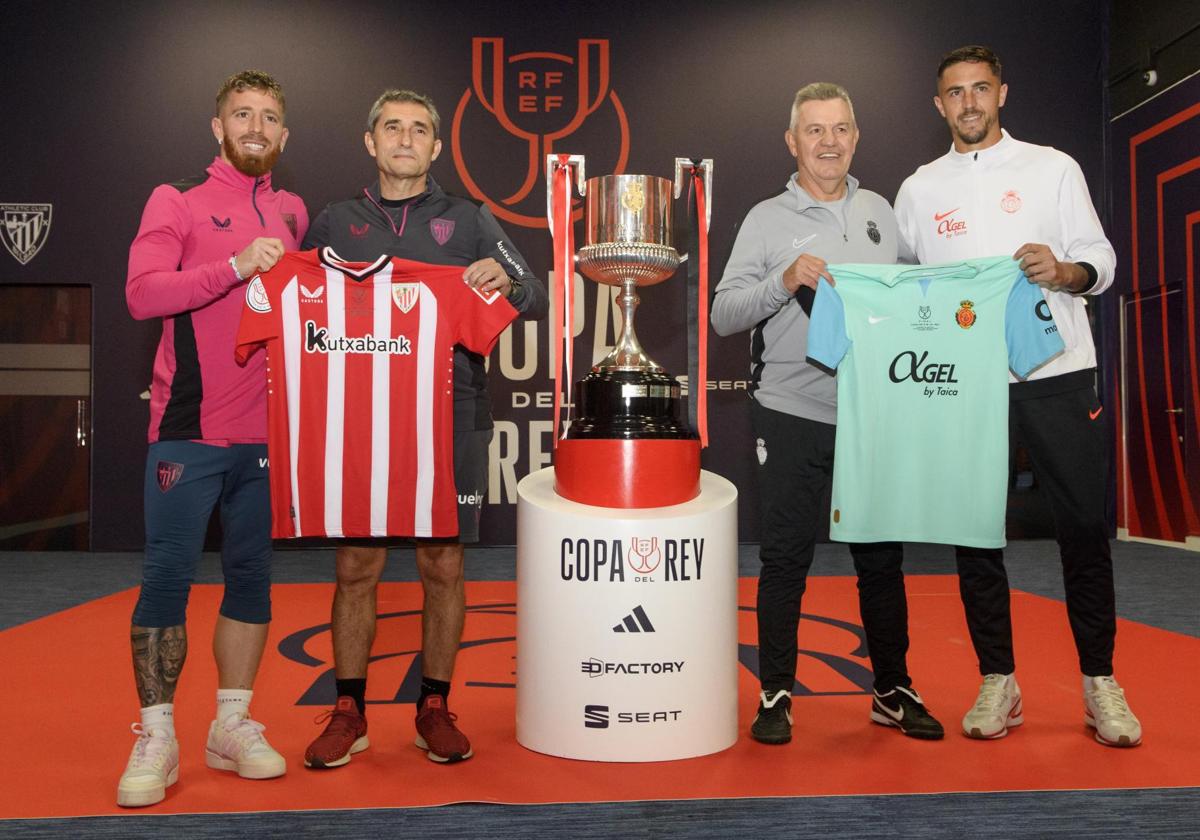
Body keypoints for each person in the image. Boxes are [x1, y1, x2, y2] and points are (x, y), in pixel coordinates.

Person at [894, 45, 1140, 747]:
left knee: (1084, 530)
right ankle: (998, 679)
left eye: (980, 89)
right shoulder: (918, 190)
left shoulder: (1053, 167)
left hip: (1058, 370)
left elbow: (1104, 260)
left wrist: (1064, 270)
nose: (968, 102)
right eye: (954, 93)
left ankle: (1100, 682)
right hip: (966, 383)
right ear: (938, 105)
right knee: (976, 535)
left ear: (1002, 93)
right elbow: (911, 288)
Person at [301, 89, 547, 767]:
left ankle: (433, 706)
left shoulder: (469, 219)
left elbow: (536, 291)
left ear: (437, 148)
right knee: (356, 566)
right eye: (392, 128)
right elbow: (300, 309)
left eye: (418, 131)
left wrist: (508, 277)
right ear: (370, 142)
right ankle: (348, 709)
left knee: (443, 563)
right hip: (359, 419)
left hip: (453, 415)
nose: (405, 139)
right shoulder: (334, 220)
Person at [712, 83, 943, 744]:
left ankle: (892, 688)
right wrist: (783, 282)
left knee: (881, 559)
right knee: (785, 557)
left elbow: (912, 303)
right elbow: (724, 314)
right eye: (814, 130)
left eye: (840, 128)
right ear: (793, 142)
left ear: (856, 135)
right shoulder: (765, 219)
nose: (829, 142)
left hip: (873, 414)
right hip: (789, 410)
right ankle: (776, 691)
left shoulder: (881, 212)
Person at [119, 70, 308, 807]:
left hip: (268, 439)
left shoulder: (294, 211)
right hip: (189, 432)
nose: (255, 125)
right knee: (167, 578)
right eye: (241, 114)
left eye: (268, 116)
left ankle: (231, 726)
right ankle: (157, 736)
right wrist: (233, 266)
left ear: (284, 135)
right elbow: (142, 292)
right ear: (218, 127)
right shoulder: (177, 198)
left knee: (252, 576)